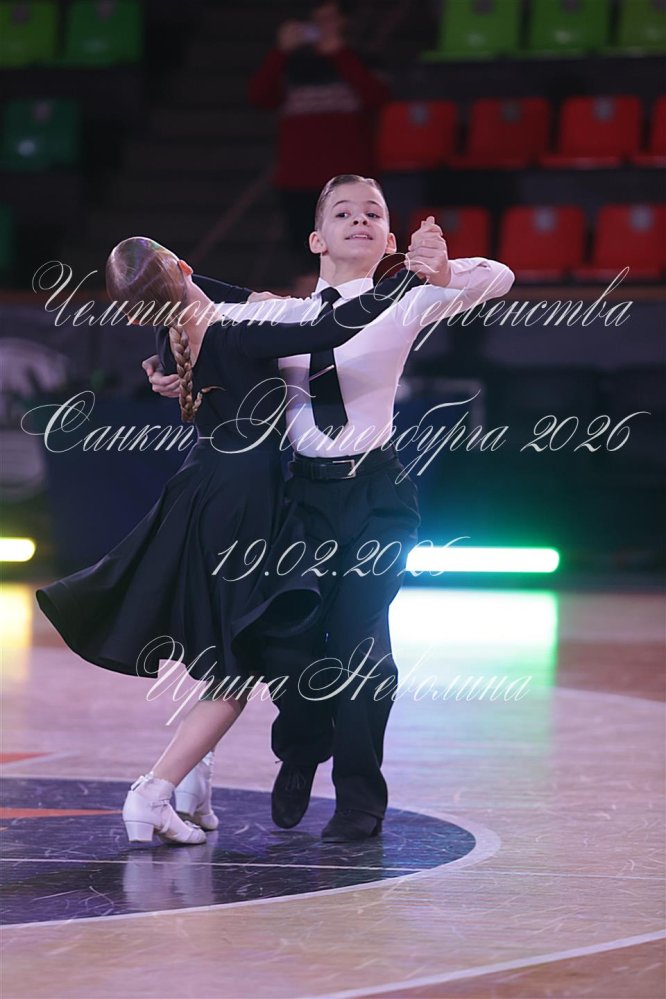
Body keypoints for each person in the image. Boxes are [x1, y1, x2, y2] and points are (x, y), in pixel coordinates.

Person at [145, 174, 515, 841]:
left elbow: (501, 275)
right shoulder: (279, 314)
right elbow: (192, 315)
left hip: (377, 495)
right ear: (317, 238)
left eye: (374, 212)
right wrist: (168, 367)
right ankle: (302, 744)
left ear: (390, 239)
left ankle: (359, 796)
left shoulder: (406, 299)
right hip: (302, 497)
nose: (360, 219)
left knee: (362, 646)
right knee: (287, 643)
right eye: (342, 212)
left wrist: (441, 269)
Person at [36, 235, 425, 846]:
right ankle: (155, 792)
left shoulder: (176, 333)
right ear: (185, 268)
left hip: (205, 489)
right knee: (239, 663)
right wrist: (407, 280)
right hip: (243, 502)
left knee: (231, 646)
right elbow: (331, 327)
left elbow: (204, 297)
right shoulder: (234, 333)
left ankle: (194, 782)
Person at [248, 1, 389, 288]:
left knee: (356, 260)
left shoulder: (363, 58)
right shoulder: (293, 62)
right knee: (306, 264)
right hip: (297, 177)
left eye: (330, 20)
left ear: (346, 23)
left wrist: (339, 53)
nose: (323, 27)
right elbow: (260, 96)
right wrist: (280, 52)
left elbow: (377, 96)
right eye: (317, 21)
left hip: (349, 179)